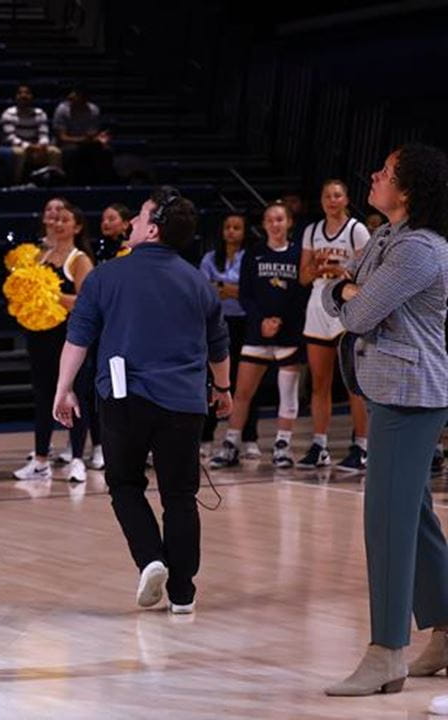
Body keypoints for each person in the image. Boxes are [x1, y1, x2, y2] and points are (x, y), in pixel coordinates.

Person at [54, 186, 230, 615]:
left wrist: (63, 388)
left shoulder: (105, 276)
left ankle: (151, 557)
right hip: (184, 403)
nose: (130, 222)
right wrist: (223, 391)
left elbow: (79, 336)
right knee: (180, 495)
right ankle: (183, 594)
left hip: (123, 399)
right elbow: (218, 345)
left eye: (140, 217)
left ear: (152, 229)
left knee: (126, 485)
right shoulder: (198, 282)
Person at [321, 144, 448, 697]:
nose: (373, 175)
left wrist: (345, 291)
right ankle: (446, 630)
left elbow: (357, 311)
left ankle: (386, 652)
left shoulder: (421, 249)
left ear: (409, 189)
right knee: (413, 516)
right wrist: (344, 288)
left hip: (411, 396)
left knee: (387, 523)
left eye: (386, 173)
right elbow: (342, 288)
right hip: (390, 390)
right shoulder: (386, 237)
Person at [209, 202, 308, 470]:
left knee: (287, 394)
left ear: (288, 223)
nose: (275, 224)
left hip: (288, 334)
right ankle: (231, 444)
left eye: (279, 219)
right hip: (257, 333)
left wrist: (281, 321)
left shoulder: (299, 254)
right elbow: (246, 295)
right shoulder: (253, 255)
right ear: (263, 225)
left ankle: (282, 446)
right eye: (269, 220)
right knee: (242, 392)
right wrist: (261, 320)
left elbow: (301, 295)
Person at [12, 199, 94, 483]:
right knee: (43, 396)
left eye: (65, 220)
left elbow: (87, 302)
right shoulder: (39, 257)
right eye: (55, 220)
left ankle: (76, 461)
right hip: (40, 336)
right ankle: (40, 460)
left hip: (70, 339)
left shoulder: (79, 259)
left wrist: (53, 298)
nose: (58, 224)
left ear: (77, 226)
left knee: (74, 396)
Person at [297, 179, 372, 472]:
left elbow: (367, 274)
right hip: (317, 303)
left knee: (353, 383)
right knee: (319, 382)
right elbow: (303, 278)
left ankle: (362, 446)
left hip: (346, 304)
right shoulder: (311, 231)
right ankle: (319, 445)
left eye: (337, 195)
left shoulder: (357, 230)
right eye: (327, 195)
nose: (331, 200)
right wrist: (317, 268)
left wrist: (341, 270)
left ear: (346, 199)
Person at [199, 212, 258, 457]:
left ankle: (249, 437)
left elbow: (250, 291)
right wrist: (230, 290)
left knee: (246, 382)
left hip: (245, 323)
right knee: (214, 380)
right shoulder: (210, 258)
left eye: (237, 227)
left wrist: (224, 289)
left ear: (244, 232)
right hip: (217, 324)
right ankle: (205, 437)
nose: (231, 231)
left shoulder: (250, 258)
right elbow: (204, 291)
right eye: (228, 227)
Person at [0, 84, 62, 184]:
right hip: (17, 147)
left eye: (27, 93)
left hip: (37, 145)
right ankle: (16, 183)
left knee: (55, 151)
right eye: (20, 93)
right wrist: (29, 146)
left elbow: (44, 134)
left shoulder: (40, 113)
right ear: (16, 97)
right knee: (20, 153)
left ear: (32, 97)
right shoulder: (8, 113)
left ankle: (54, 182)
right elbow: (10, 137)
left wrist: (42, 145)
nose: (24, 96)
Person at [53, 87, 113, 185]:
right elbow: (62, 137)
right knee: (72, 152)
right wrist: (83, 139)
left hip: (87, 144)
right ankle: (71, 185)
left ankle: (101, 185)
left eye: (74, 96)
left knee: (106, 151)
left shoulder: (93, 110)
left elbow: (92, 134)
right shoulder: (62, 110)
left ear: (84, 98)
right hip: (67, 144)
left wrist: (100, 137)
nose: (70, 99)